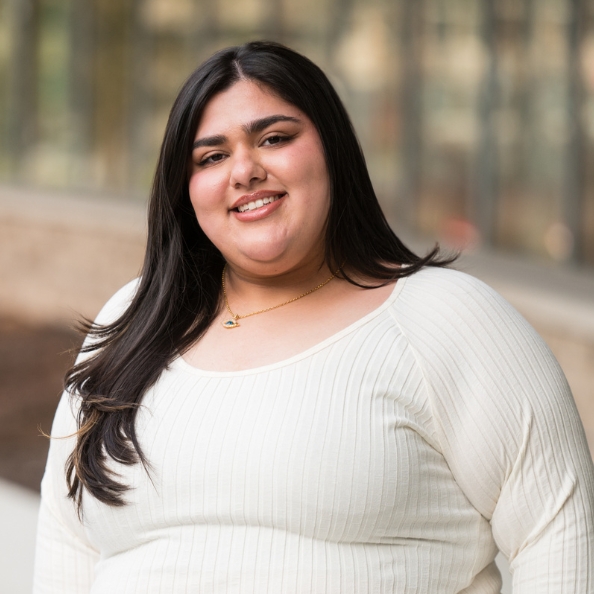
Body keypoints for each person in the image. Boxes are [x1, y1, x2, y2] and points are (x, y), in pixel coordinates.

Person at [34, 41, 593, 593]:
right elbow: (67, 541)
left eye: (274, 138)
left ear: (333, 149)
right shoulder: (136, 320)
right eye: (211, 157)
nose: (244, 171)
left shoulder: (449, 320)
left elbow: (562, 538)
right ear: (186, 191)